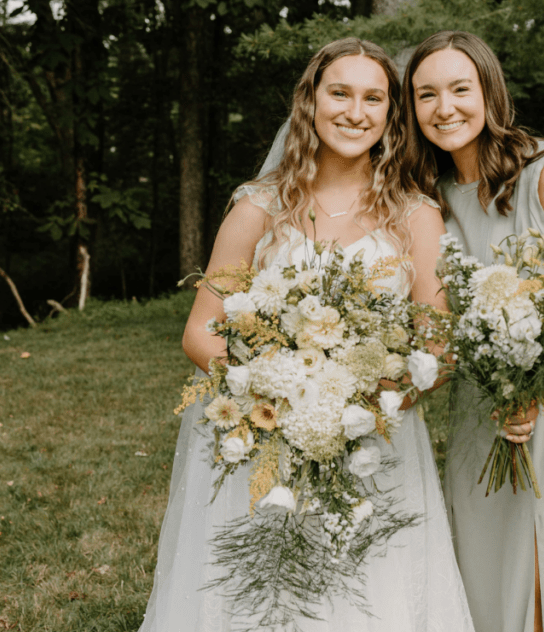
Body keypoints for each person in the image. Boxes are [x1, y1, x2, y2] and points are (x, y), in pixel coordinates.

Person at [138, 37, 475, 632]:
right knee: (259, 595)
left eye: (374, 98)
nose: (355, 111)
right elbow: (200, 332)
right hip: (263, 438)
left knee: (369, 591)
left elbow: (437, 347)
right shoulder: (260, 207)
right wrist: (274, 397)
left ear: (391, 114)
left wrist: (363, 408)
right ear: (310, 103)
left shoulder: (416, 214)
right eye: (339, 93)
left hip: (374, 440)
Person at [400, 30, 544, 632]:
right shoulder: (430, 198)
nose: (444, 108)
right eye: (426, 95)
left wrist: (536, 385)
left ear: (490, 93)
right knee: (486, 563)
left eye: (460, 89)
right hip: (479, 406)